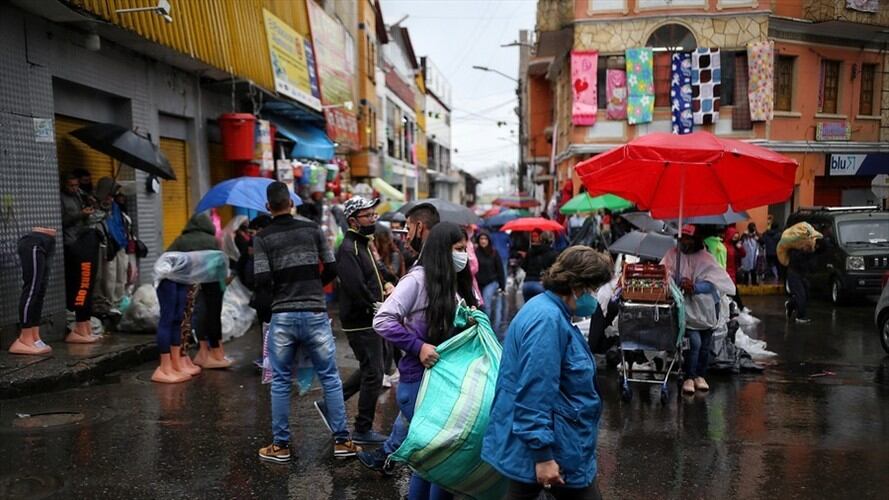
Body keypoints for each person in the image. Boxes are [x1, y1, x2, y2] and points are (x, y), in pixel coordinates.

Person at [358, 222, 478, 499]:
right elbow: (383, 320)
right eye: (459, 249)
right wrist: (418, 346)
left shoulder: (451, 282)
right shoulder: (417, 280)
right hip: (418, 385)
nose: (464, 255)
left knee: (428, 464)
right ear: (441, 250)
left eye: (465, 249)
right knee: (444, 462)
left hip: (443, 385)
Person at [482, 246, 612, 500]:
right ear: (576, 285)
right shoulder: (547, 321)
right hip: (553, 447)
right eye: (594, 289)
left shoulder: (550, 312)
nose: (595, 297)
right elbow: (535, 392)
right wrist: (543, 455)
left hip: (557, 441)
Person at [254, 181, 360, 463]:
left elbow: (262, 280)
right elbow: (333, 268)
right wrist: (314, 287)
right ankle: (342, 441)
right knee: (330, 377)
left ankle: (281, 446)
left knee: (279, 381)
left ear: (268, 207)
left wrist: (281, 295)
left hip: (283, 316)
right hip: (314, 311)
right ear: (291, 203)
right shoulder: (312, 229)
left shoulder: (262, 237)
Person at [335, 196, 392, 445]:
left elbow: (377, 274)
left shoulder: (365, 244)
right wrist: (374, 305)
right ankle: (362, 428)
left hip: (375, 317)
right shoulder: (349, 248)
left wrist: (393, 284)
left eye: (373, 215)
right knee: (374, 373)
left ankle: (332, 402)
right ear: (352, 221)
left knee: (378, 366)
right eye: (367, 216)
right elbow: (355, 286)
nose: (372, 219)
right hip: (362, 320)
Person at [661, 225, 735, 395]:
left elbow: (714, 281)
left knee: (705, 345)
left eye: (689, 238)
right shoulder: (672, 255)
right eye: (683, 238)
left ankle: (700, 375)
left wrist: (695, 287)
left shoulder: (706, 258)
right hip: (686, 309)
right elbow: (665, 274)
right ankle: (689, 376)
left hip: (706, 309)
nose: (685, 242)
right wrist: (677, 281)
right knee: (694, 344)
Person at [169, 213, 232, 370]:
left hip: (190, 283)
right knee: (213, 315)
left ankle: (202, 352)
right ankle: (215, 352)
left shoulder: (181, 240)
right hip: (213, 283)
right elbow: (222, 263)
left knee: (196, 315)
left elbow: (168, 258)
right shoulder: (213, 241)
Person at [60, 172, 102, 344]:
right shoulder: (61, 198)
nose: (74, 188)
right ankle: (79, 327)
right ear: (64, 184)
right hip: (72, 245)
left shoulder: (80, 195)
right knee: (81, 285)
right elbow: (62, 220)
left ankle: (85, 327)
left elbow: (90, 216)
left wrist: (91, 206)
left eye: (76, 185)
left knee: (88, 284)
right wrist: (80, 214)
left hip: (86, 242)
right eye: (71, 185)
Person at [9, 227, 57, 355]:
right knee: (32, 289)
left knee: (41, 290)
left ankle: (35, 336)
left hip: (48, 241)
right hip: (34, 241)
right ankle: (25, 337)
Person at [93, 177, 129, 319]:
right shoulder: (96, 203)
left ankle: (119, 302)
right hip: (107, 245)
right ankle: (109, 303)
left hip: (119, 244)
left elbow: (120, 225)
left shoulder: (115, 206)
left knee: (121, 275)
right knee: (109, 276)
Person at [475, 231, 506, 337]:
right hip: (479, 283)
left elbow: (500, 269)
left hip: (492, 282)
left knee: (487, 305)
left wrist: (503, 286)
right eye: (481, 239)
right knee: (482, 306)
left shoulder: (494, 252)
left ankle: (489, 329)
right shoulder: (475, 253)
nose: (483, 241)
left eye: (485, 239)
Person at [786, 241, 818, 325]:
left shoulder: (810, 254)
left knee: (806, 295)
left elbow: (812, 266)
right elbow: (795, 262)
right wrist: (803, 253)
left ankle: (791, 304)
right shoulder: (795, 252)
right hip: (794, 274)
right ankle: (800, 316)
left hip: (803, 275)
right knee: (801, 295)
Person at [521, 230, 559, 302]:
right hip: (540, 283)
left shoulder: (530, 251)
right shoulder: (553, 254)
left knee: (529, 310)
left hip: (527, 283)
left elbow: (523, 266)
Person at [723, 226, 746, 311]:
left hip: (733, 272)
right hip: (728, 272)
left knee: (733, 292)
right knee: (732, 293)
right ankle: (739, 308)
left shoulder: (734, 246)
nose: (735, 238)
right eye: (734, 236)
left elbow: (743, 254)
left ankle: (739, 308)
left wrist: (740, 247)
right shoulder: (725, 247)